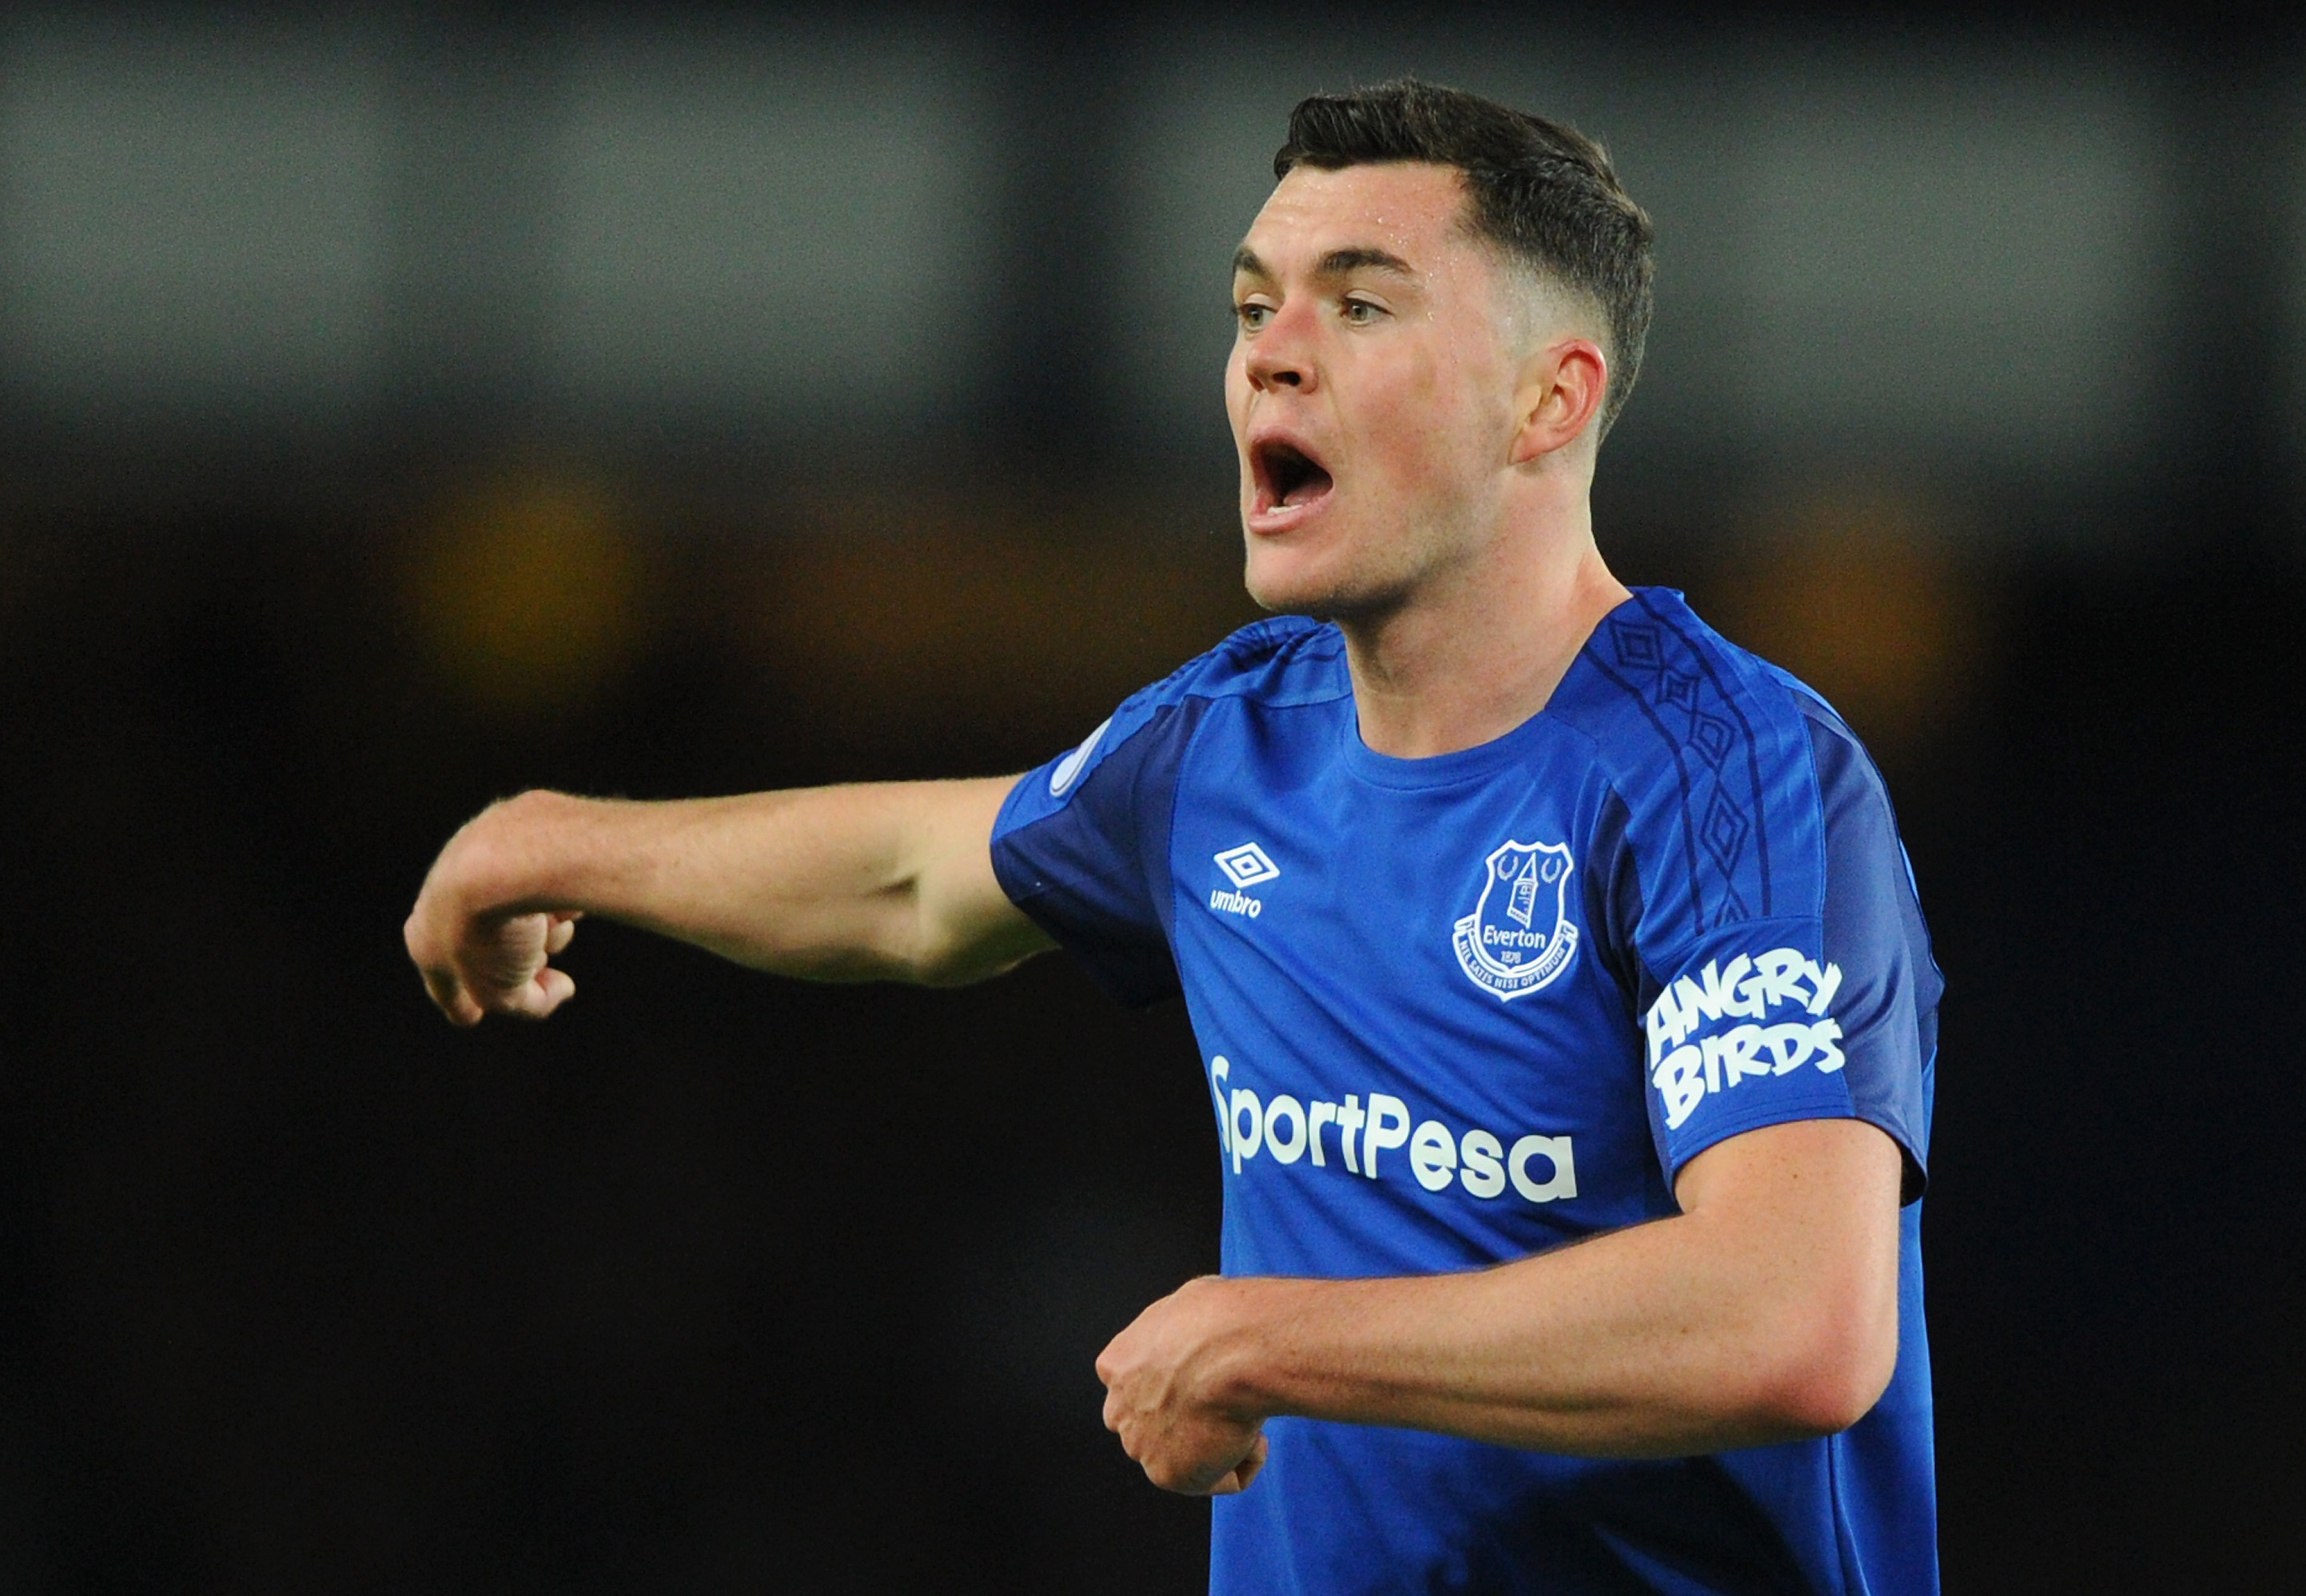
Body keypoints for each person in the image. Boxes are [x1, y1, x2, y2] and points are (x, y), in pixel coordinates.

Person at [406, 78, 1940, 1596]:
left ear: (1551, 400)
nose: (1272, 352)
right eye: (1254, 305)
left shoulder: (1731, 775)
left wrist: (1275, 1338)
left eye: (1360, 306)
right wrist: (557, 841)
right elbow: (913, 882)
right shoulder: (1229, 744)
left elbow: (1793, 1321)